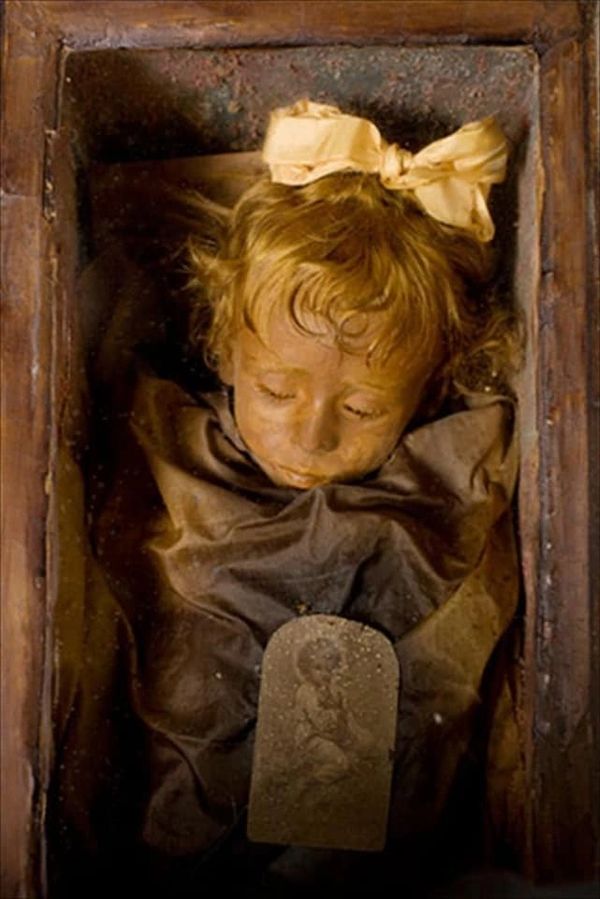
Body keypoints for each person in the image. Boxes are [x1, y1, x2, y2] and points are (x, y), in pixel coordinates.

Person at [55, 99, 522, 896]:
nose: (311, 439)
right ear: (222, 348)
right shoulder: (167, 445)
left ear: (428, 389)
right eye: (275, 389)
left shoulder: (445, 482)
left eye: (366, 408)